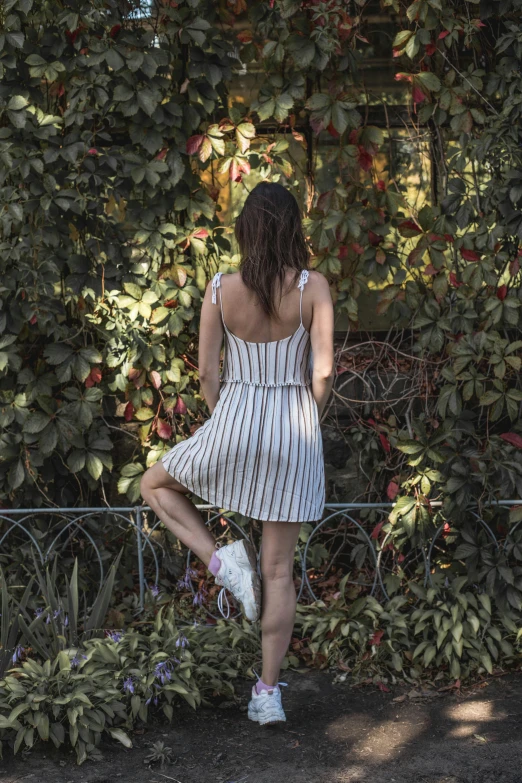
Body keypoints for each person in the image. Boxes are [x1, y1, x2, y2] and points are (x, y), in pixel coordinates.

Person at [140, 181, 335, 725]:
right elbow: (321, 372)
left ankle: (220, 560)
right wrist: (306, 421)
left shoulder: (220, 288)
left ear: (245, 230)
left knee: (154, 484)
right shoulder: (312, 287)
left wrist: (224, 419)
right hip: (294, 428)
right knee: (278, 572)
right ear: (295, 228)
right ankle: (267, 694)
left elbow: (207, 371)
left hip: (235, 418)